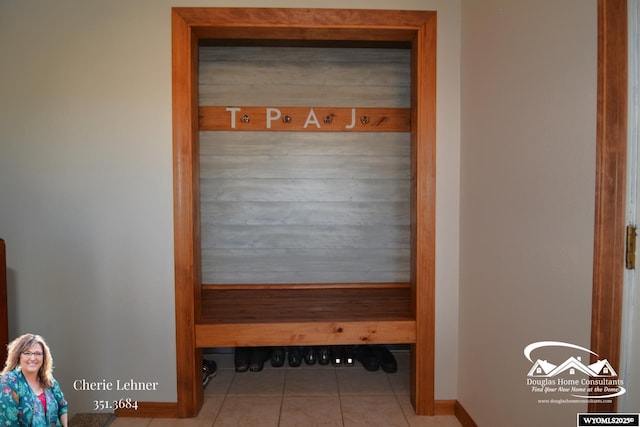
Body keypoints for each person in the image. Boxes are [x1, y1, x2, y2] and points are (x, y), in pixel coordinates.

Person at [0, 333, 68, 426]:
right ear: (18, 356)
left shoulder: (49, 381)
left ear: (44, 357)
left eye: (38, 353)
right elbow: (8, 422)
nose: (33, 358)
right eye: (27, 353)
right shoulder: (8, 382)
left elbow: (63, 407)